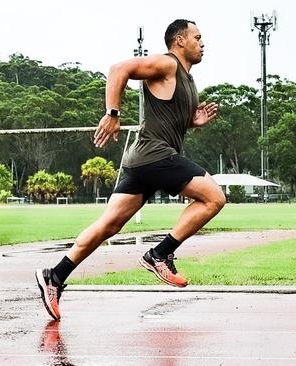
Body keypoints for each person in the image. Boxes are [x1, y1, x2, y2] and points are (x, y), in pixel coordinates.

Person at [35, 19, 225, 320]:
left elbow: (170, 116)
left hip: (143, 160)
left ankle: (55, 276)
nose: (203, 44)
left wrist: (193, 122)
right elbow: (118, 70)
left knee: (109, 225)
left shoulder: (188, 80)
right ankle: (159, 254)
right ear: (179, 41)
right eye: (197, 37)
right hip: (155, 155)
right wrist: (112, 113)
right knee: (214, 197)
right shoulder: (167, 64)